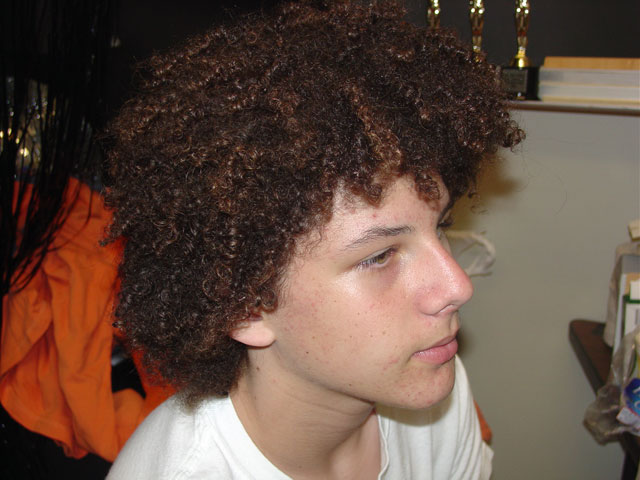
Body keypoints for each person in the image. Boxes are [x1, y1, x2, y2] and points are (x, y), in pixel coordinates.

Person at [104, 1, 522, 478]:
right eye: (381, 255)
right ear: (245, 307)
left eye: (440, 227)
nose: (458, 286)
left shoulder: (435, 399)